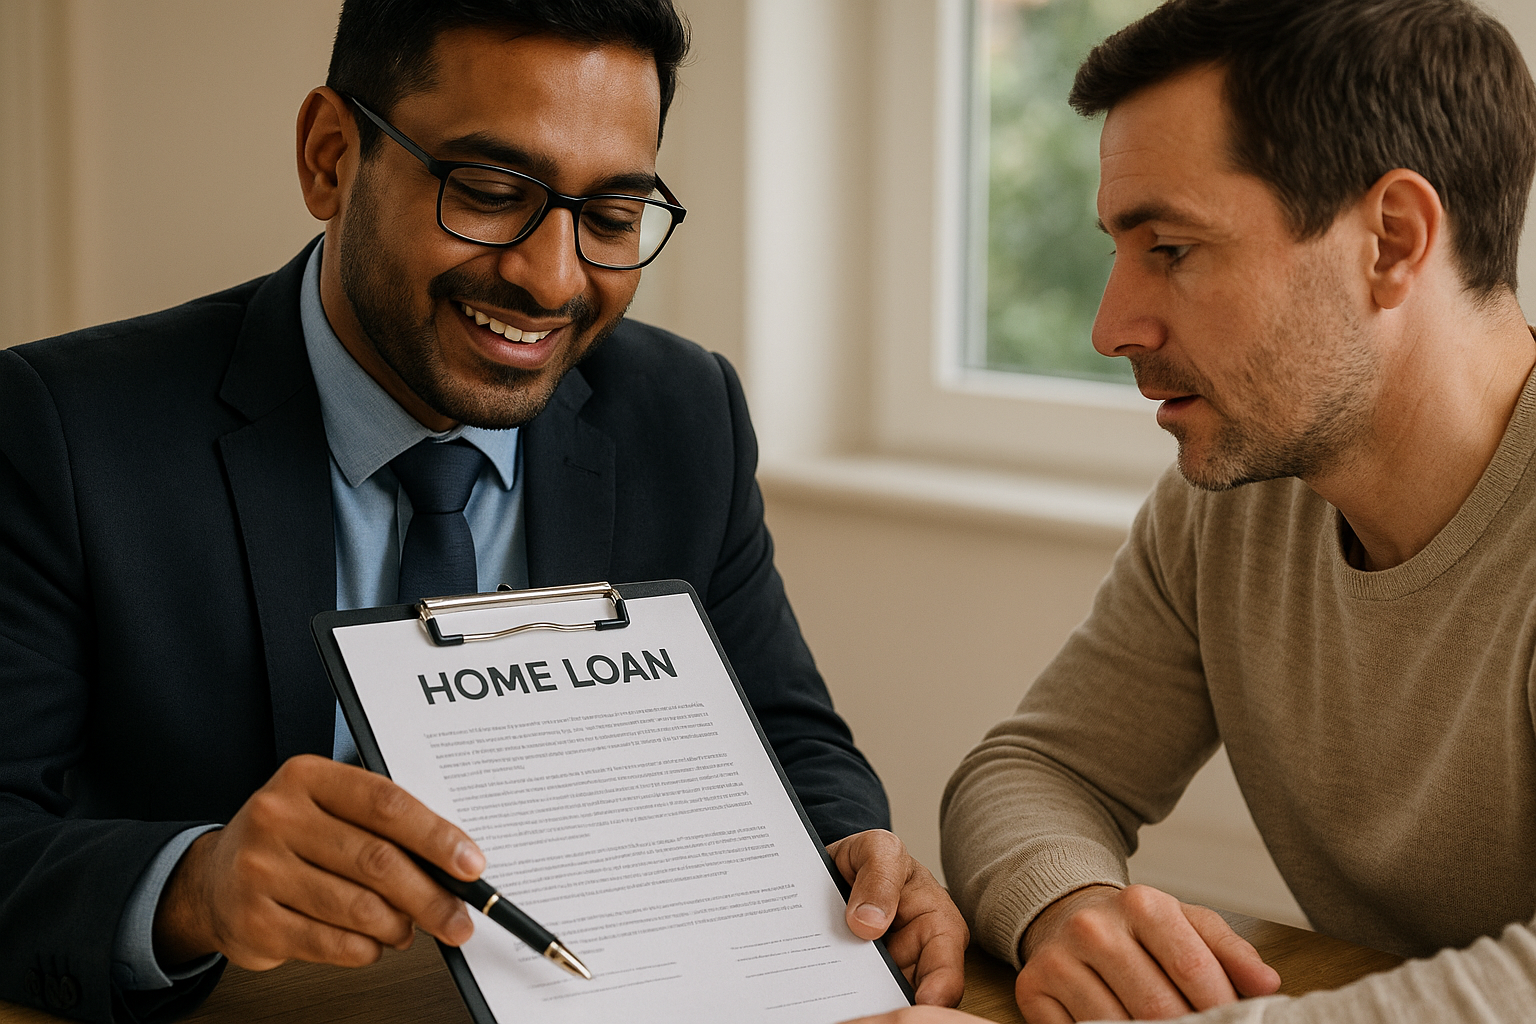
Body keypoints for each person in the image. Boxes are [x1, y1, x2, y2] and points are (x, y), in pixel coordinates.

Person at [0, 3, 967, 1021]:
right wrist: (195, 886)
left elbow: (784, 735)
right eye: (492, 192)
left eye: (609, 218)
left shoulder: (684, 413)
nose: (551, 280)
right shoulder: (62, 431)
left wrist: (849, 857)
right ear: (330, 157)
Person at [841, 0, 1536, 1022]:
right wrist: (1072, 908)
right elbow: (1033, 767)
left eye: (1169, 248)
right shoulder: (1242, 505)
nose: (1110, 325)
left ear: (1392, 240)